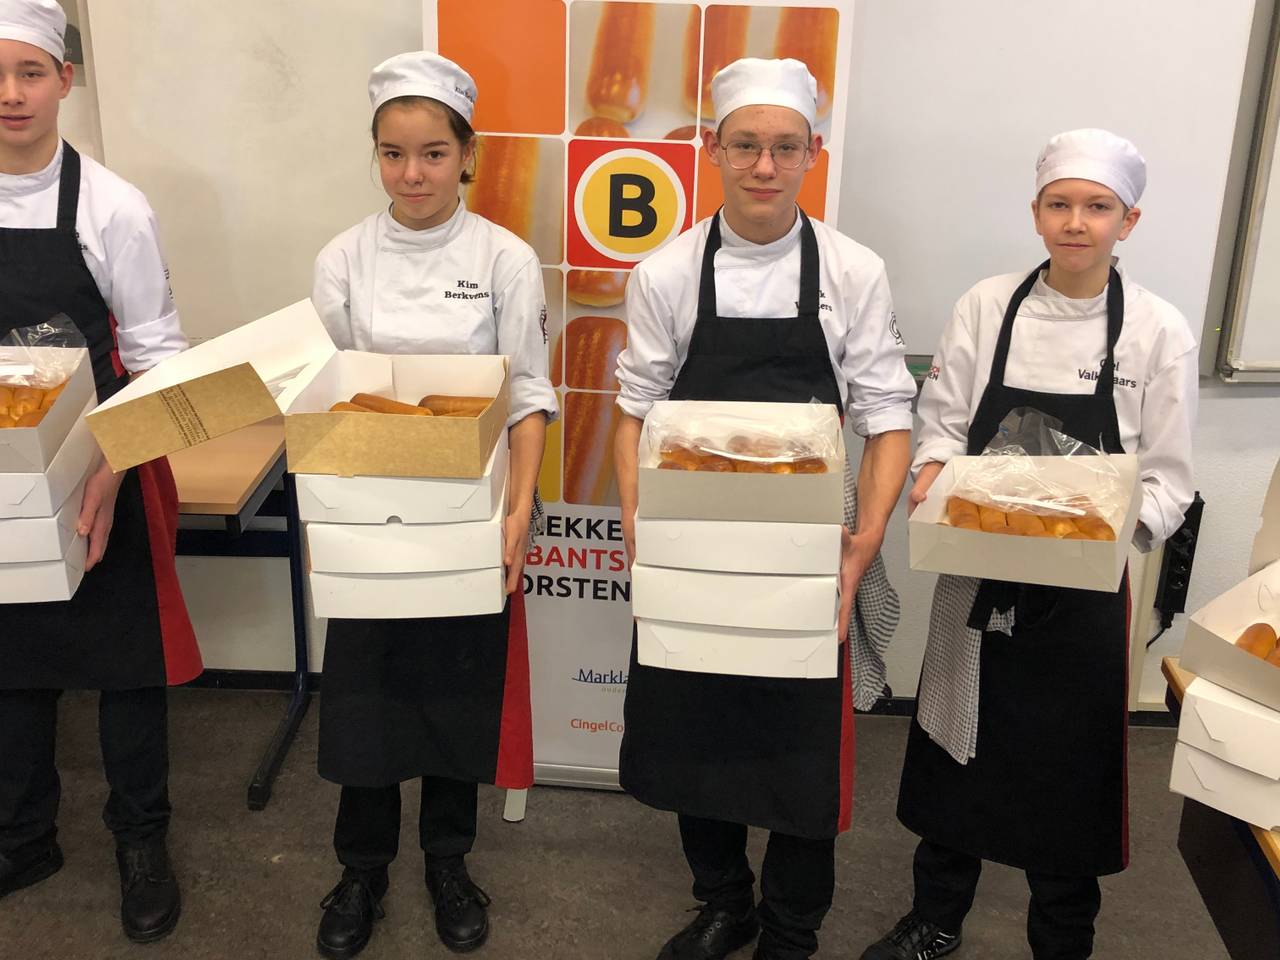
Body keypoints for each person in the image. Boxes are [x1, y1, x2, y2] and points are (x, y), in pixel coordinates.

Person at [860, 129, 1197, 960]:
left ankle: (1062, 938)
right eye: (1060, 204)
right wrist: (933, 482)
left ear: (1130, 220)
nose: (1076, 223)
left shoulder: (1159, 330)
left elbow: (1169, 481)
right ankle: (935, 920)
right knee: (950, 745)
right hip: (977, 567)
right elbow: (938, 430)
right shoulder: (986, 306)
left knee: (1068, 772)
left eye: (1097, 207)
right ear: (1037, 213)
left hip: (1082, 591)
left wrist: (1103, 535)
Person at [613, 57, 915, 960]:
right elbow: (634, 413)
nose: (763, 166)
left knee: (798, 758)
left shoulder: (852, 272)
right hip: (695, 555)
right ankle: (722, 903)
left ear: (812, 155)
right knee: (692, 737)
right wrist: (641, 528)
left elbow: (889, 418)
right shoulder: (666, 274)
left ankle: (791, 930)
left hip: (806, 563)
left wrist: (862, 542)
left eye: (785, 147)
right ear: (713, 150)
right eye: (744, 144)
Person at [309, 50, 555, 959]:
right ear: (375, 157)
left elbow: (528, 397)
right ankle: (360, 869)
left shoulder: (504, 257)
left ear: (468, 155)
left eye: (432, 154)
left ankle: (449, 858)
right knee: (365, 702)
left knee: (457, 697)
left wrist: (519, 510)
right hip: (368, 514)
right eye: (392, 154)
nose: (412, 174)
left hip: (469, 515)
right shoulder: (343, 259)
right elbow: (323, 393)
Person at [0, 0, 201, 943]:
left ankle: (140, 837)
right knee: (9, 666)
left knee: (126, 664)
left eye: (30, 73)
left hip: (100, 460)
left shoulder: (112, 207)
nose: (10, 95)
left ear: (64, 82)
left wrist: (107, 473)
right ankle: (22, 834)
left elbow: (158, 358)